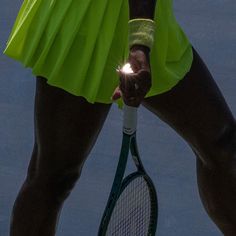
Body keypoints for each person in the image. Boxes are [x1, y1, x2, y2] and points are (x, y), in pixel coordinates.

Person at [3, 0, 236, 235]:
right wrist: (139, 43)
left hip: (145, 17)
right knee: (54, 176)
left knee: (222, 142)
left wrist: (141, 38)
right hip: (87, 19)